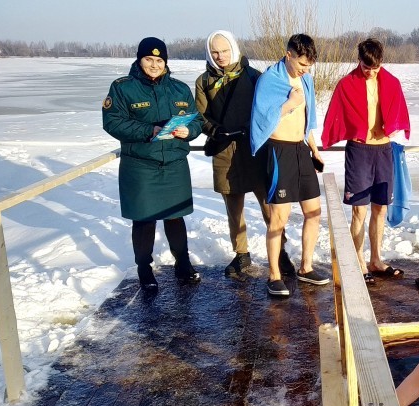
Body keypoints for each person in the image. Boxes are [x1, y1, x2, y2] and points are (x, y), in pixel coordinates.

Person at [102, 37, 203, 291]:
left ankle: (183, 263)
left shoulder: (180, 89)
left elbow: (197, 122)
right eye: (149, 59)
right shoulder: (123, 88)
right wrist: (150, 130)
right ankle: (144, 269)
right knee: (144, 220)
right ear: (139, 59)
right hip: (141, 165)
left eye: (159, 60)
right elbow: (112, 121)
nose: (154, 64)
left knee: (176, 216)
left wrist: (187, 131)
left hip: (174, 163)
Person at [196, 30, 297, 277]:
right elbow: (200, 115)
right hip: (224, 151)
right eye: (215, 52)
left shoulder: (254, 77)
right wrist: (216, 130)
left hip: (255, 149)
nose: (220, 56)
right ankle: (241, 254)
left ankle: (280, 252)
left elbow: (270, 108)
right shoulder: (204, 82)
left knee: (269, 205)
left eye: (224, 50)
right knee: (233, 207)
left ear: (234, 48)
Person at [322, 38, 410, 285]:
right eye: (366, 67)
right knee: (359, 209)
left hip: (383, 149)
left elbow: (399, 109)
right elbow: (335, 114)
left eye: (375, 67)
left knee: (380, 208)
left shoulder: (391, 82)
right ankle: (358, 261)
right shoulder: (347, 84)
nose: (370, 72)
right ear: (359, 60)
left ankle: (376, 259)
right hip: (359, 150)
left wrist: (395, 126)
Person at [250, 34, 329, 297]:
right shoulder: (269, 80)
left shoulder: (306, 79)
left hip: (300, 150)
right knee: (278, 220)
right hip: (278, 151)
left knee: (314, 212)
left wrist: (314, 147)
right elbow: (262, 119)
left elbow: (308, 117)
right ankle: (274, 275)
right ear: (289, 55)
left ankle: (305, 268)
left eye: (309, 65)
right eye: (302, 64)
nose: (306, 70)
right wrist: (288, 104)